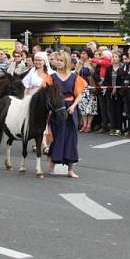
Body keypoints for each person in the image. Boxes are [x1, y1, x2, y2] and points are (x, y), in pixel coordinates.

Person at [43, 50, 87, 178]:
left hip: (70, 108)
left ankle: (70, 169)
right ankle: (52, 165)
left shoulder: (75, 77)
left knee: (71, 138)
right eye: (57, 60)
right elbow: (46, 93)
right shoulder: (51, 77)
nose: (58, 62)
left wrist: (73, 106)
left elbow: (79, 95)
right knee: (56, 137)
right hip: (57, 109)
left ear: (67, 62)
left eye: (61, 60)